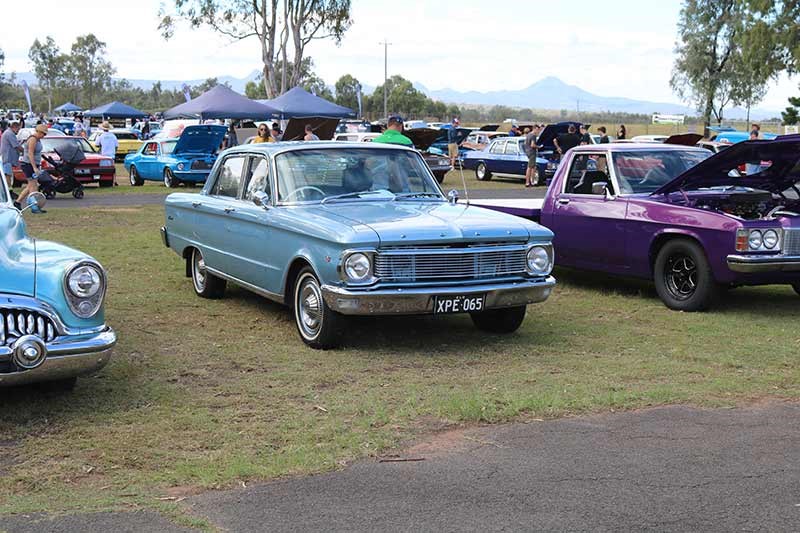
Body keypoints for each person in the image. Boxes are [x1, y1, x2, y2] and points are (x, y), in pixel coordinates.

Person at [16, 124, 48, 213]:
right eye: (43, 134)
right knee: (34, 186)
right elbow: (30, 153)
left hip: (34, 164)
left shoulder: (38, 140)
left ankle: (17, 202)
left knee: (30, 185)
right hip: (28, 164)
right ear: (38, 132)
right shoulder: (33, 139)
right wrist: (34, 167)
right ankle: (34, 206)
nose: (44, 136)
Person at [1, 120, 23, 199]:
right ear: (14, 127)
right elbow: (16, 146)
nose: (18, 131)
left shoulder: (8, 133)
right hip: (7, 158)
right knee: (8, 175)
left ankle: (9, 191)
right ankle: (9, 192)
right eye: (18, 129)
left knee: (8, 175)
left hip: (7, 158)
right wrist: (25, 151)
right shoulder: (10, 134)